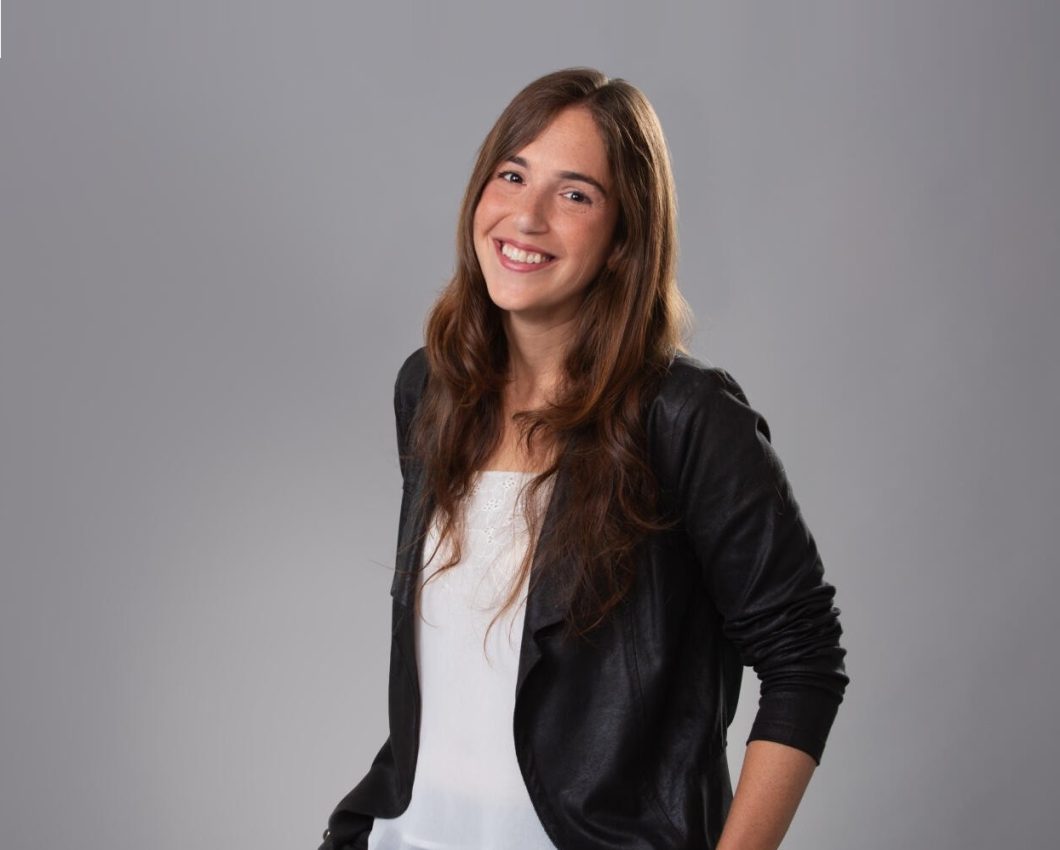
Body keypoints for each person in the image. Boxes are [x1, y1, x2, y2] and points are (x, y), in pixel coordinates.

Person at [318, 67, 849, 850]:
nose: (526, 216)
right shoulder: (431, 389)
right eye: (511, 175)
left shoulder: (685, 417)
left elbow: (804, 660)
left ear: (624, 236)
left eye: (575, 194)